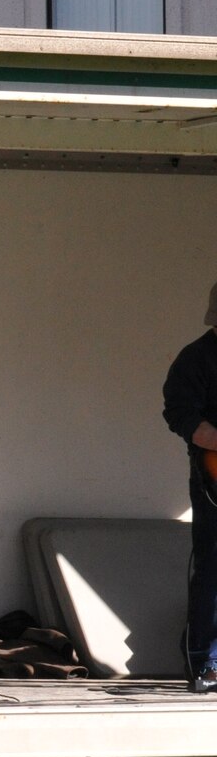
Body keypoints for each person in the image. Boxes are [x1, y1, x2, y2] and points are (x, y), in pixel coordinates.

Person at [164, 281, 217, 692]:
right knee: (213, 569)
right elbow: (183, 418)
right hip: (212, 479)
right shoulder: (196, 359)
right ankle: (205, 664)